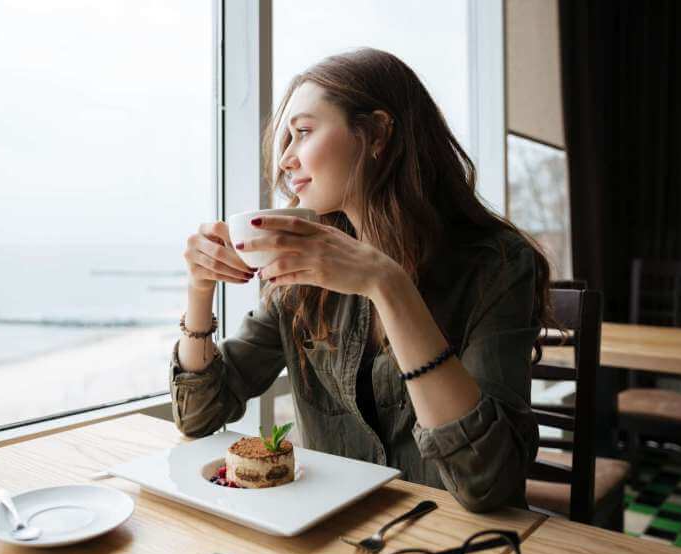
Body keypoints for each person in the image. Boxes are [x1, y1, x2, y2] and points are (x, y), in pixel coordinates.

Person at [172, 48, 551, 512]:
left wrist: (387, 285)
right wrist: (199, 288)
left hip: (454, 546)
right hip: (327, 533)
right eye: (285, 141)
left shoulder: (498, 264)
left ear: (376, 134)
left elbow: (487, 483)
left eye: (303, 132)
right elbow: (198, 415)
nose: (286, 160)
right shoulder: (303, 274)